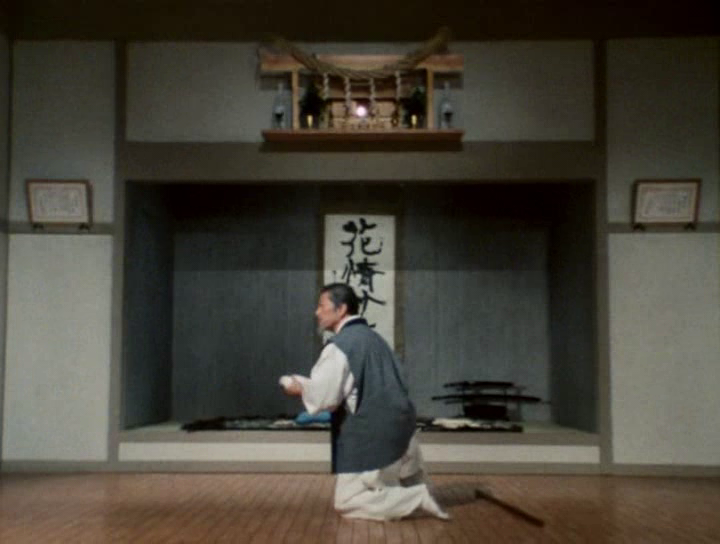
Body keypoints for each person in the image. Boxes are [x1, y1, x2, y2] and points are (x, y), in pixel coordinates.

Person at [280, 283, 449, 521]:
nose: (317, 312)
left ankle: (416, 497)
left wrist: (297, 386)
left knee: (347, 501)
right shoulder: (376, 340)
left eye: (321, 306)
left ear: (341, 309)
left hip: (371, 433)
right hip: (402, 429)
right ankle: (416, 491)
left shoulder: (341, 346)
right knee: (398, 479)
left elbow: (325, 398)